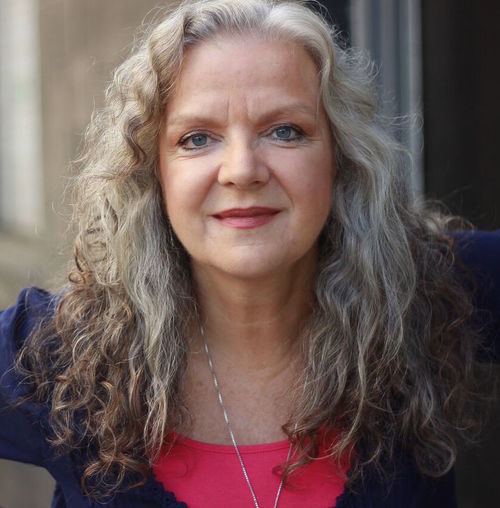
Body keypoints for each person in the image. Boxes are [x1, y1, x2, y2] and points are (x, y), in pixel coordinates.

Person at [1, 0, 499, 507]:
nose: (242, 170)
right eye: (198, 138)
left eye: (285, 131)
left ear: (340, 157)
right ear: (155, 174)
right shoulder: (66, 355)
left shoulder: (420, 292)